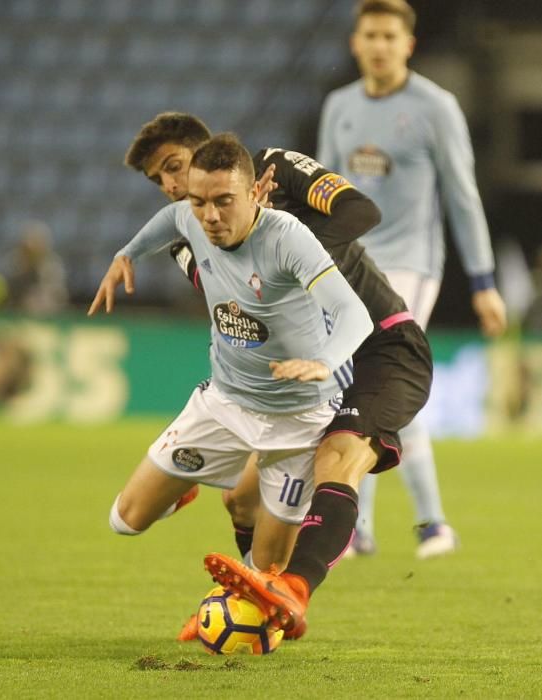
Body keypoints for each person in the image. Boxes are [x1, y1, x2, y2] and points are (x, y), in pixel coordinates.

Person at [123, 112, 433, 636]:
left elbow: (361, 210)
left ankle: (293, 587)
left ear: (212, 155)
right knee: (239, 498)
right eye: (162, 181)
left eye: (175, 166)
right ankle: (252, 598)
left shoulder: (275, 167)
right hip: (308, 372)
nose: (172, 186)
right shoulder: (195, 235)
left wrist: (288, 238)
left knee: (341, 455)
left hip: (382, 345)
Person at [89, 133, 374, 633]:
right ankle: (184, 489)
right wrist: (128, 252)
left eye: (224, 202)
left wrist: (326, 361)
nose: (210, 216)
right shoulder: (191, 219)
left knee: (265, 578)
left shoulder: (286, 237)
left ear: (253, 195)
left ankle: (227, 625)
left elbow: (354, 314)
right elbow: (169, 221)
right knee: (124, 519)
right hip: (223, 405)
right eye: (200, 201)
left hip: (298, 421)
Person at [317, 0, 507, 558]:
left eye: (388, 36)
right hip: (351, 263)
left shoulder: (436, 107)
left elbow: (463, 196)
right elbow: (321, 189)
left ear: (408, 45)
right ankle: (365, 527)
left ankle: (430, 523)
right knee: (360, 389)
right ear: (356, 43)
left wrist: (484, 282)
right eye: (369, 34)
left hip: (412, 265)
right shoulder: (339, 106)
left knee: (383, 382)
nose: (378, 45)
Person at [6, 220, 69, 316]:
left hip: (47, 314)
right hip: (19, 314)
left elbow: (57, 294)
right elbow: (9, 292)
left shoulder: (52, 265)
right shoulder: (16, 264)